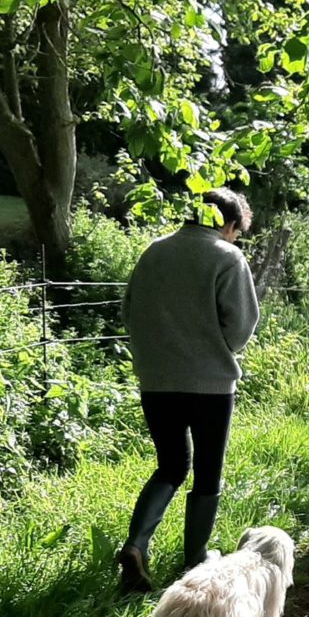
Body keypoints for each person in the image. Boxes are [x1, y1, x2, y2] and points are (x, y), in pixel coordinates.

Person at [117, 188, 260, 593]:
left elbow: (128, 312)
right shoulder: (227, 257)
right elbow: (241, 326)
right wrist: (217, 347)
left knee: (171, 466)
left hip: (156, 381)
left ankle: (136, 544)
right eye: (236, 231)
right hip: (211, 385)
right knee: (207, 473)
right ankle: (194, 558)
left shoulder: (153, 252)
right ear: (229, 224)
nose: (234, 238)